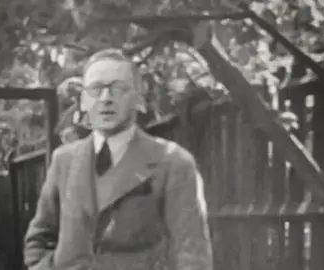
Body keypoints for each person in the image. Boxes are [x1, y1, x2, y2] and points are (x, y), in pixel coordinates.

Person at [23, 48, 213, 270]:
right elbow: (40, 239)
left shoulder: (173, 163)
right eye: (96, 89)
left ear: (137, 98)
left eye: (118, 88)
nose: (106, 99)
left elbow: (192, 256)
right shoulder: (63, 161)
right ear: (83, 101)